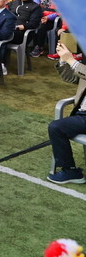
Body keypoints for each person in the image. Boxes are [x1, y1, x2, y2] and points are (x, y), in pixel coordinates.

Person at [47, 41, 86, 184]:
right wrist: (64, 61)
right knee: (57, 127)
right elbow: (73, 78)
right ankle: (70, 170)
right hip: (82, 115)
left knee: (56, 127)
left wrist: (71, 60)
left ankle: (70, 171)